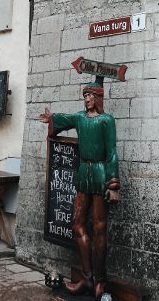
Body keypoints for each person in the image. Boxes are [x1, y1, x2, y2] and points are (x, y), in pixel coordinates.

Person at [40, 82, 120, 299]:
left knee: (99, 228)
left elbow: (112, 152)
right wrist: (51, 119)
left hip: (101, 172)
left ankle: (100, 280)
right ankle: (87, 276)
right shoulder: (80, 118)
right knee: (76, 224)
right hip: (84, 172)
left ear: (98, 98)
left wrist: (113, 185)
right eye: (84, 95)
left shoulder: (106, 121)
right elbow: (63, 119)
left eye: (90, 95)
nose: (86, 99)